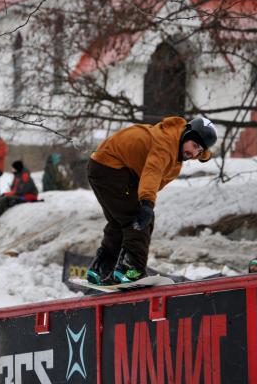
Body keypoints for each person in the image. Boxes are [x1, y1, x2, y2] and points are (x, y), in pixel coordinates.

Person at [86, 116, 216, 285]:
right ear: (186, 135)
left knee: (120, 222)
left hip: (105, 168)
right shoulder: (166, 145)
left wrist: (205, 154)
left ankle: (101, 268)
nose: (194, 154)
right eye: (195, 146)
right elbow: (152, 172)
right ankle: (131, 269)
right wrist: (147, 203)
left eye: (199, 151)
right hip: (112, 170)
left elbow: (200, 147)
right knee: (139, 219)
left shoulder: (179, 138)